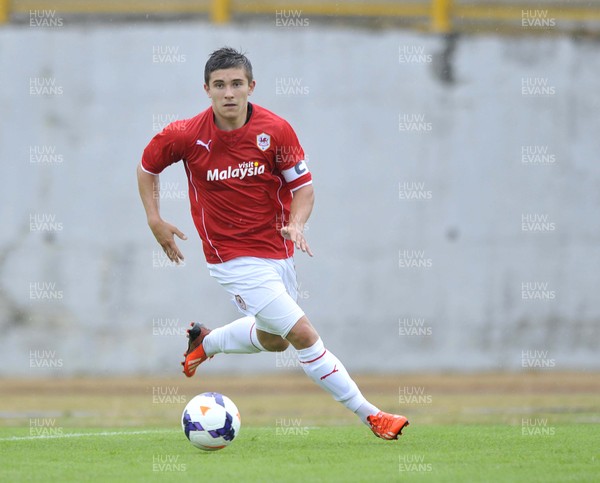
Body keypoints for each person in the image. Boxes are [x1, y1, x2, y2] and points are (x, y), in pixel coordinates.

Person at [137, 47, 409, 440]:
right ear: (206, 90)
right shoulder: (184, 135)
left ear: (251, 86)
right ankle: (373, 415)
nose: (228, 93)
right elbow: (147, 168)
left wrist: (297, 224)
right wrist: (154, 219)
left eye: (236, 84)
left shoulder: (276, 131)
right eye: (219, 85)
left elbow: (304, 189)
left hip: (277, 252)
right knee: (302, 335)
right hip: (231, 258)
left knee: (274, 341)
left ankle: (207, 342)